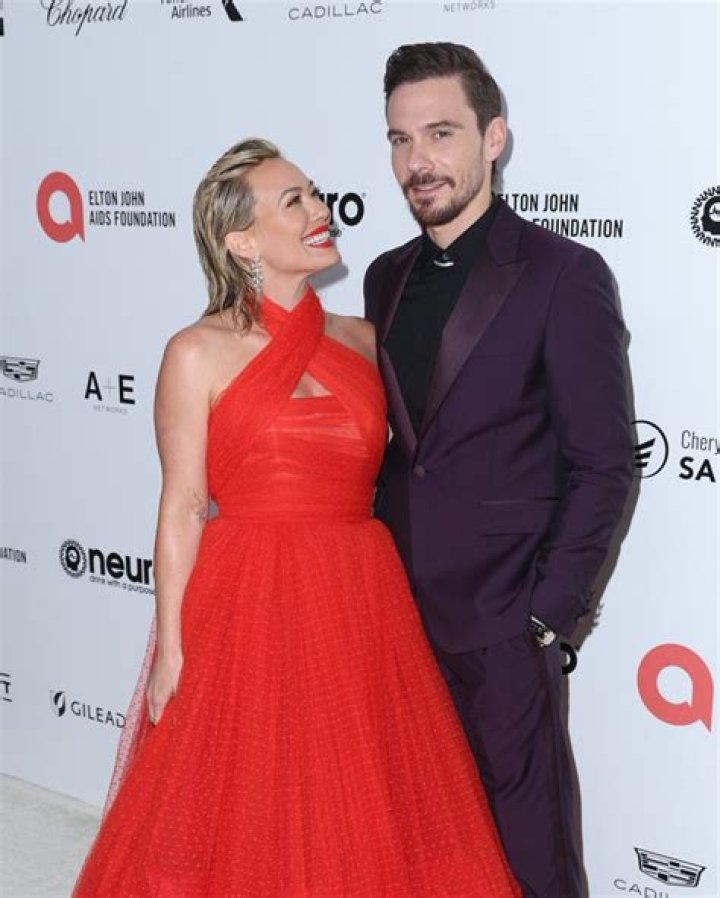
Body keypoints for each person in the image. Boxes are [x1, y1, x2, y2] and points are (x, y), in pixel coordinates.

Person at [72, 137, 520, 896]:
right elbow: (183, 504)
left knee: (356, 791)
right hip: (247, 594)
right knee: (247, 793)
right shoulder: (196, 352)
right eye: (294, 202)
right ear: (241, 241)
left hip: (357, 593)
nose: (320, 211)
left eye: (314, 193)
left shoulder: (363, 339)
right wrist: (171, 647)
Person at [364, 43, 634, 898]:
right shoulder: (384, 278)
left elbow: (606, 464)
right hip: (397, 621)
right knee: (421, 848)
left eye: (440, 133)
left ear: (493, 138)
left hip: (504, 626)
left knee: (532, 860)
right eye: (401, 139)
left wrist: (547, 616)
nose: (418, 161)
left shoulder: (564, 274)